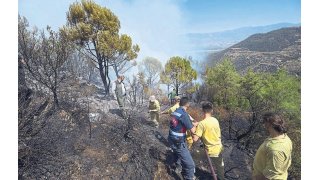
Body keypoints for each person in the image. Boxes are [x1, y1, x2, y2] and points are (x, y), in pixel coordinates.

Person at [252, 113, 292, 180]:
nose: (263, 124)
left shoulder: (275, 150)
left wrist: (256, 178)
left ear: (269, 124)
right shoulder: (284, 137)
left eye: (264, 122)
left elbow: (269, 176)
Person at [167, 97, 198, 180]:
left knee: (177, 153)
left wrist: (191, 123)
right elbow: (192, 130)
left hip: (171, 139)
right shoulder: (184, 114)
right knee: (190, 165)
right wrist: (195, 125)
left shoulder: (176, 111)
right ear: (187, 104)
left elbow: (180, 122)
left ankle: (177, 166)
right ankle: (189, 177)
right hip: (178, 142)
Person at [192, 102, 224, 180]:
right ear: (212, 110)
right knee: (220, 167)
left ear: (202, 110)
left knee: (192, 157)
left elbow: (195, 139)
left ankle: (191, 174)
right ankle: (221, 178)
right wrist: (198, 124)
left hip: (208, 150)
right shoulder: (215, 120)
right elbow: (207, 123)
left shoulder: (202, 124)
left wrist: (192, 127)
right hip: (218, 149)